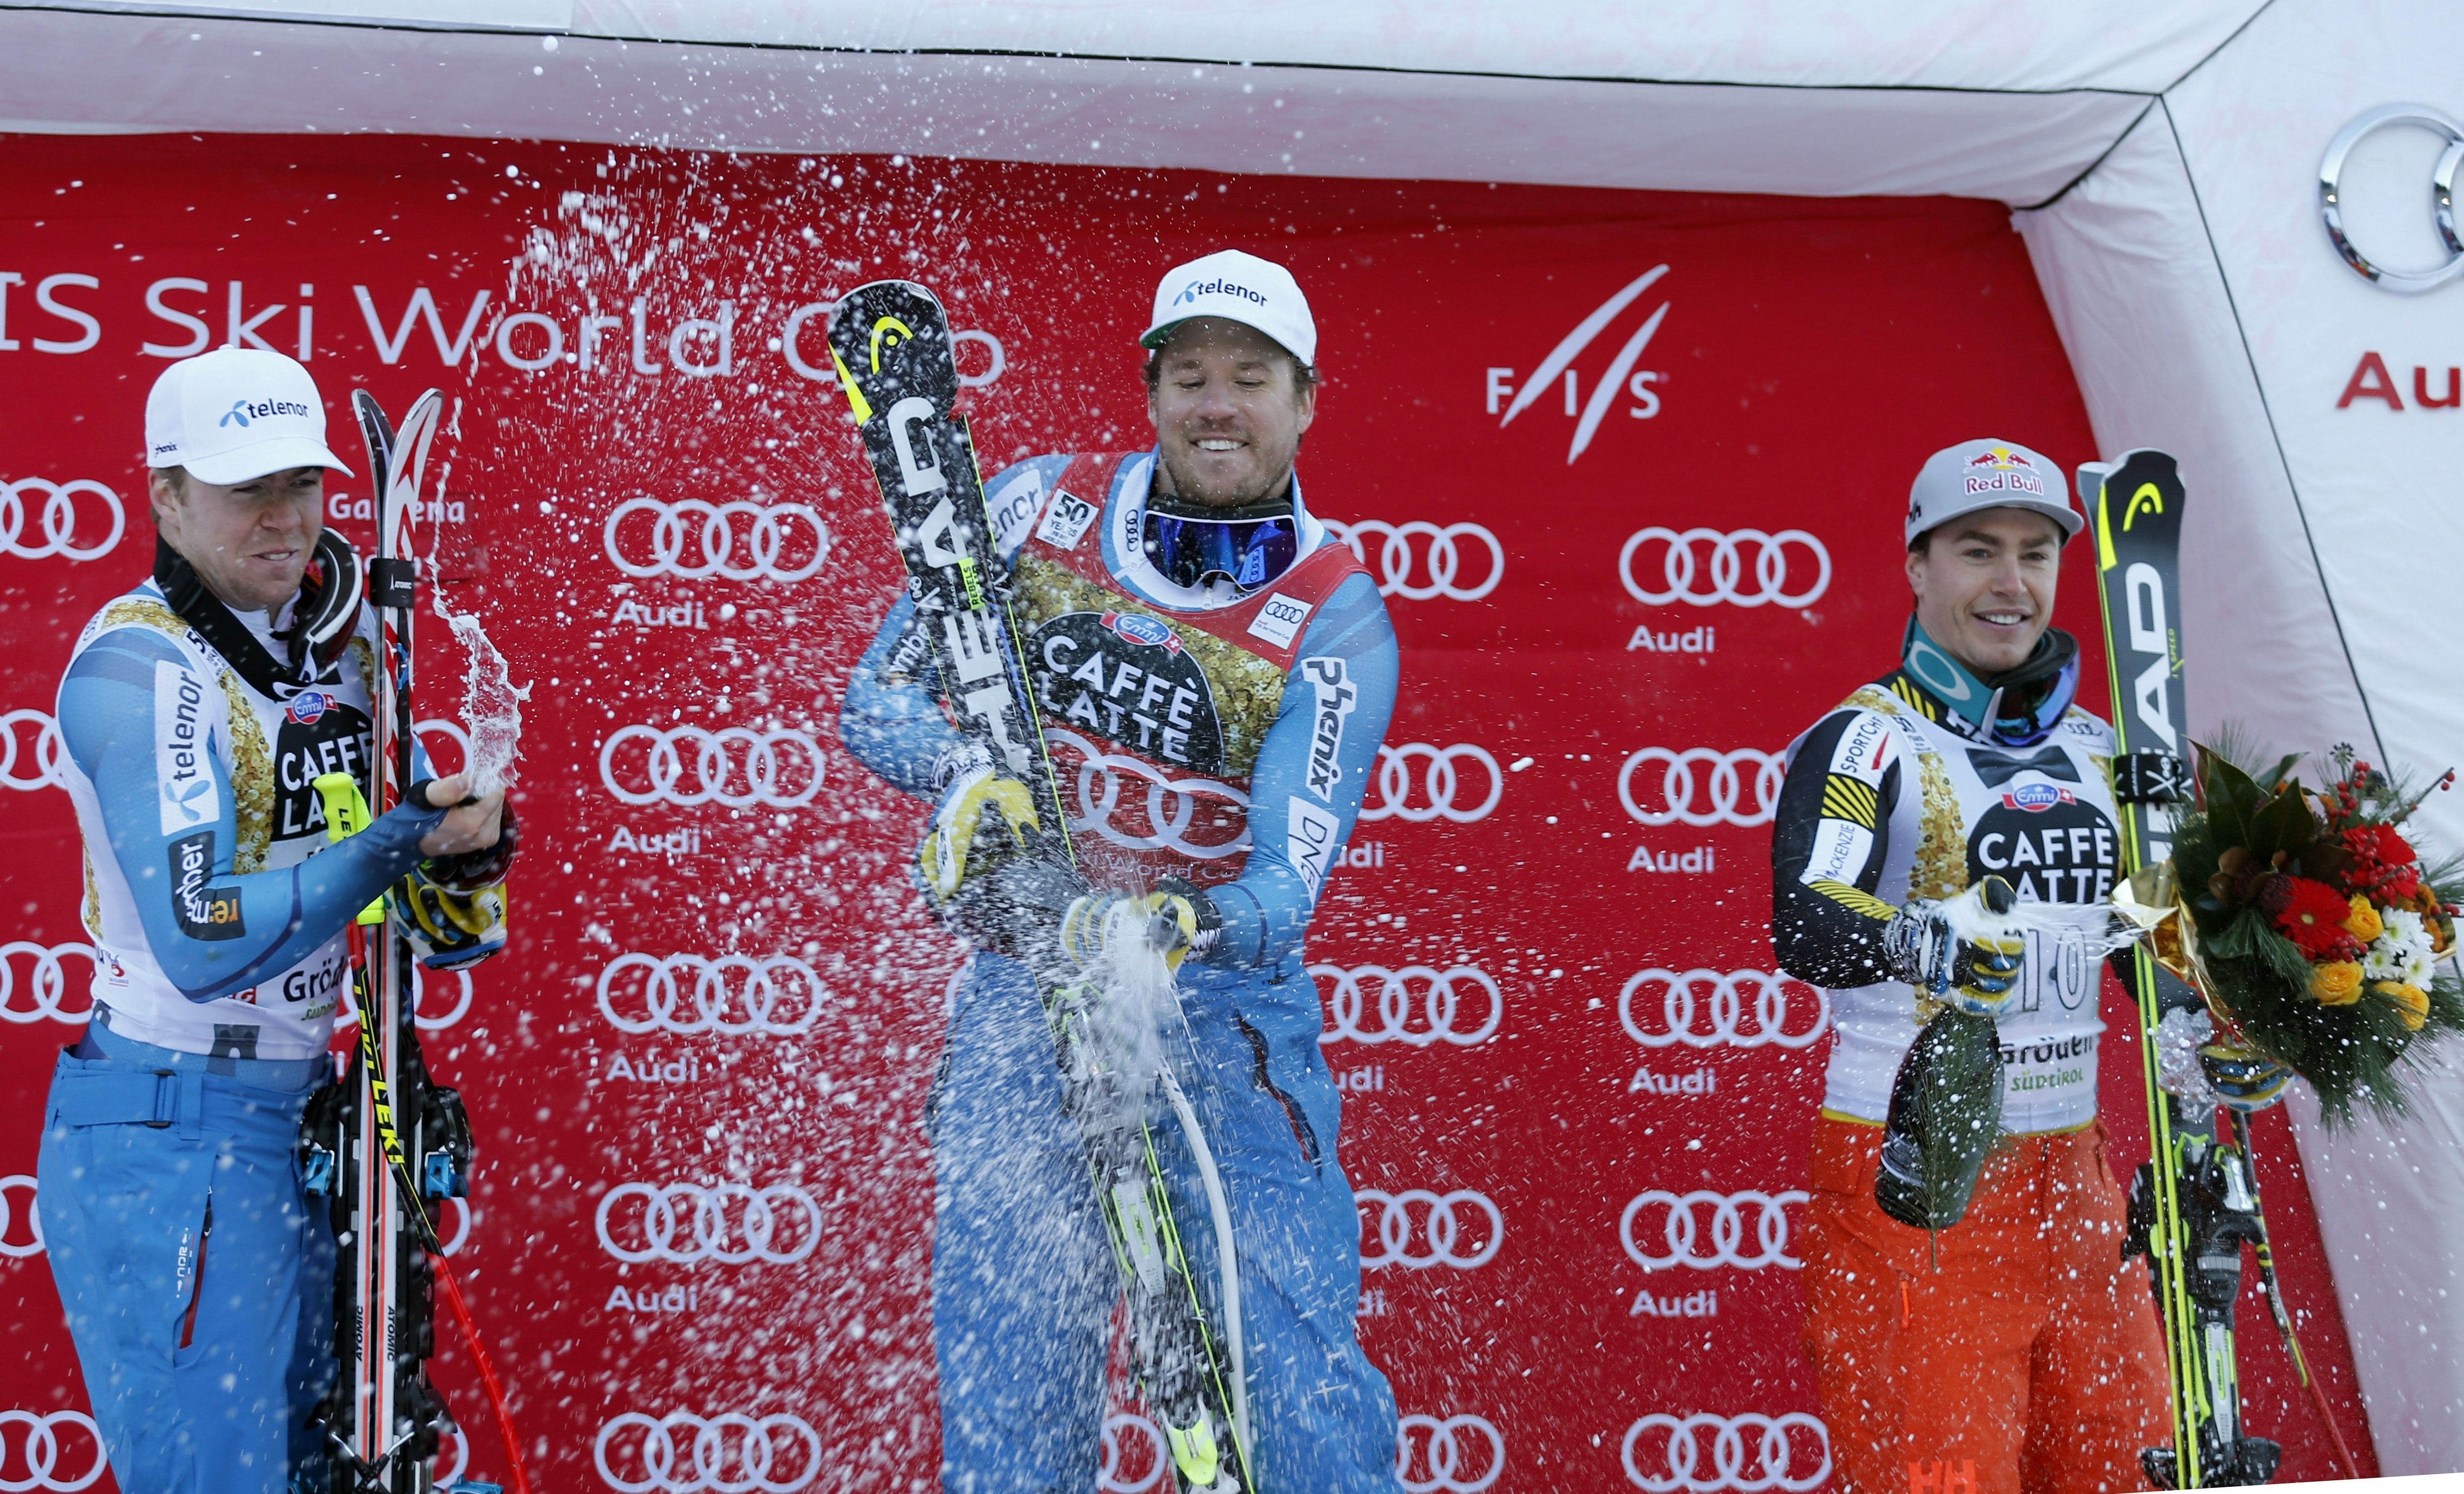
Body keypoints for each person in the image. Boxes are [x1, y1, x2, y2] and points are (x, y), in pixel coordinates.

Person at [840, 249, 1402, 1492]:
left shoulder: (1332, 615)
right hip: (1021, 1000)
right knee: (1009, 1387)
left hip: (1218, 1026)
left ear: (1304, 402)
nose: (1217, 401)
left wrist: (1168, 922)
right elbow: (874, 699)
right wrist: (961, 777)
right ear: (1149, 390)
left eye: (1249, 377)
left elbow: (1283, 885)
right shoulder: (1039, 506)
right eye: (1189, 372)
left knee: (1295, 1403)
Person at [36, 346, 512, 1493]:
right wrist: (393, 837)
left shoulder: (339, 651)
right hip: (172, 1124)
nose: (282, 518)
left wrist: (464, 853)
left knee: (324, 1471)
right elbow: (207, 940)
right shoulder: (136, 670)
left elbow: (447, 932)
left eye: (299, 483)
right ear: (166, 495)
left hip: (301, 1120)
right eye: (244, 488)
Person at [1767, 440, 2174, 1494]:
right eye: (1977, 550)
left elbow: (2142, 941)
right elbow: (1809, 920)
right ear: (1917, 564)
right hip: (1918, 1184)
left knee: (2122, 1471)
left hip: (2078, 1186)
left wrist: (2216, 1025)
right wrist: (1923, 935)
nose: (2011, 582)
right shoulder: (1866, 739)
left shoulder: (2102, 748)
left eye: (2036, 553)